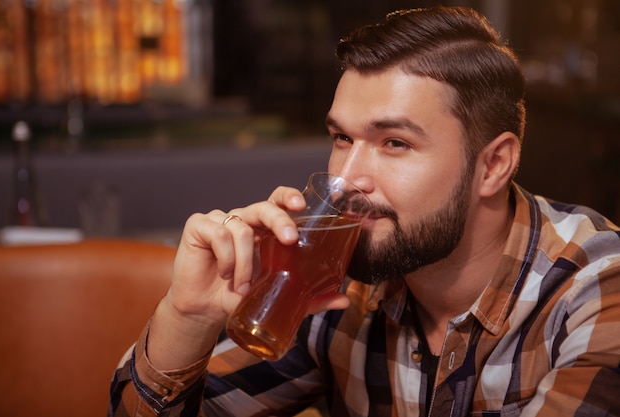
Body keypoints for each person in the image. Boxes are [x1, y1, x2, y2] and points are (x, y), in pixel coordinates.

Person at [109, 6, 620, 417]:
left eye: (394, 142)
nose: (347, 179)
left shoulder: (599, 285)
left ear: (494, 165)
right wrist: (188, 315)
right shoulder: (336, 282)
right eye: (341, 138)